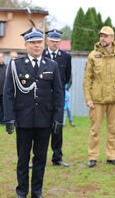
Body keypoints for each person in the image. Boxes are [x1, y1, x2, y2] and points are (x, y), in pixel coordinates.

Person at [3, 27, 64, 198]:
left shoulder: (51, 65)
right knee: (23, 159)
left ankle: (37, 192)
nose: (37, 46)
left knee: (40, 159)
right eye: (33, 43)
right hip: (23, 120)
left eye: (39, 42)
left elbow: (59, 94)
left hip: (45, 121)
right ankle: (22, 191)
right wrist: (9, 118)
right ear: (26, 45)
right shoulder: (16, 65)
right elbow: (8, 93)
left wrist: (59, 118)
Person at [83, 26, 115, 168]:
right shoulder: (93, 55)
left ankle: (112, 156)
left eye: (106, 36)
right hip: (97, 99)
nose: (102, 38)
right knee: (94, 129)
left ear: (112, 38)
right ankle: (92, 157)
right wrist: (88, 98)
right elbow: (87, 80)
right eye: (101, 36)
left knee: (113, 129)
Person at [42, 29, 72, 167]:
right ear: (47, 41)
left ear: (60, 42)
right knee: (40, 128)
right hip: (43, 97)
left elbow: (68, 77)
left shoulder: (66, 57)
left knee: (57, 127)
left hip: (58, 97)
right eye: (52, 41)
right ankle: (39, 157)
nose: (54, 43)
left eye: (57, 41)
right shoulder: (41, 54)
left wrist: (62, 91)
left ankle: (57, 157)